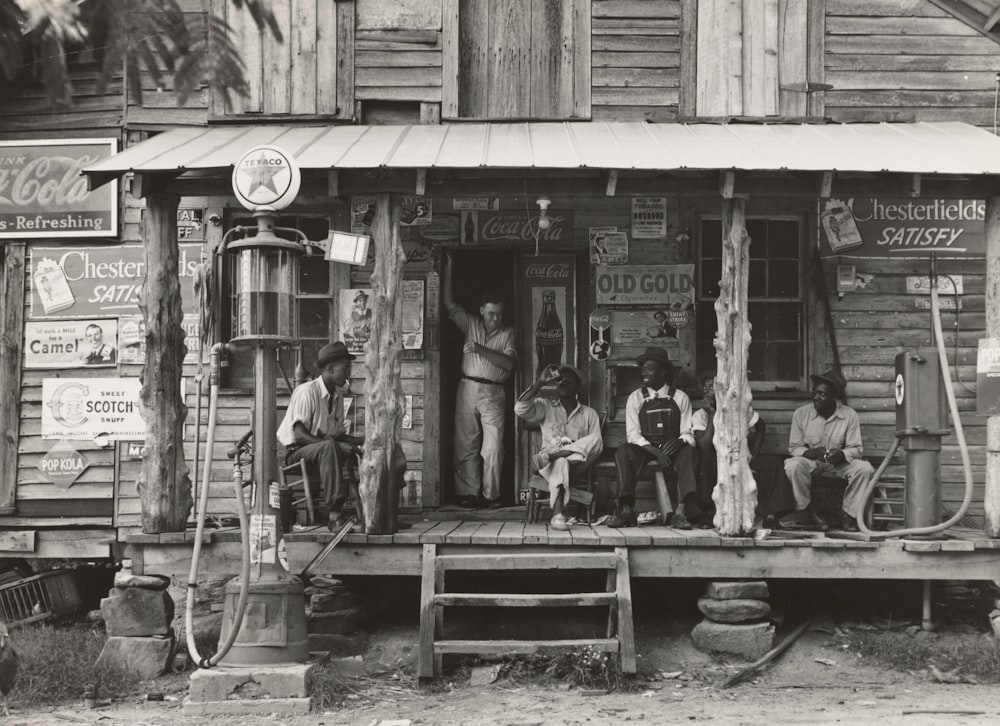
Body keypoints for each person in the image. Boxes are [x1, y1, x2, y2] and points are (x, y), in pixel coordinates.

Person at [443, 253, 517, 508]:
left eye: (499, 314)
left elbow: (508, 363)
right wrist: (450, 266)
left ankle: (491, 495)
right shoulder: (471, 323)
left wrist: (479, 349)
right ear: (482, 311)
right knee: (466, 444)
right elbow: (449, 304)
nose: (495, 319)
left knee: (493, 447)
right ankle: (469, 493)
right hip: (468, 387)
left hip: (494, 391)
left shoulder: (508, 333)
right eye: (491, 314)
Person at [277, 341, 365, 530]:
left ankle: (380, 512)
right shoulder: (307, 391)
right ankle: (334, 515)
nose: (349, 372)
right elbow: (299, 435)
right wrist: (336, 445)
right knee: (330, 446)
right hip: (296, 452)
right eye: (346, 368)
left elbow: (337, 435)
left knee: (369, 444)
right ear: (331, 369)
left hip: (322, 450)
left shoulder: (338, 396)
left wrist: (364, 440)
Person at [611, 347, 700, 528]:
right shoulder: (636, 398)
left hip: (671, 448)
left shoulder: (680, 397)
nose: (644, 372)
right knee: (623, 451)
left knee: (689, 452)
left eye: (649, 368)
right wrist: (654, 451)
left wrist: (679, 441)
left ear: (662, 371)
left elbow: (687, 433)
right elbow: (633, 435)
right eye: (642, 368)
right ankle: (626, 510)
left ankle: (680, 513)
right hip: (645, 449)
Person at [783, 369, 873, 531]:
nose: (816, 397)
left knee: (864, 469)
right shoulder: (801, 414)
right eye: (815, 392)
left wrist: (841, 454)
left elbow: (856, 448)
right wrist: (811, 453)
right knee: (792, 465)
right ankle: (808, 511)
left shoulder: (849, 415)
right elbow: (794, 447)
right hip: (812, 462)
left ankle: (849, 516)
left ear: (834, 397)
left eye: (822, 394)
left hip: (839, 465)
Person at [515, 364, 603, 530]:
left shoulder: (589, 413)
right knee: (561, 461)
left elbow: (596, 446)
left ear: (578, 387)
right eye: (560, 380)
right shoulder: (546, 407)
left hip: (578, 465)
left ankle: (556, 455)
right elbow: (520, 409)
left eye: (569, 381)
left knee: (595, 440)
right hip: (550, 465)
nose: (563, 383)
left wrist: (561, 454)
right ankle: (557, 515)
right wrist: (540, 383)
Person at [691, 369, 764, 516]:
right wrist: (712, 415)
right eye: (704, 388)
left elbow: (760, 424)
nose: (706, 391)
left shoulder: (736, 409)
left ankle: (772, 514)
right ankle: (708, 512)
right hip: (713, 459)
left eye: (711, 387)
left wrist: (755, 450)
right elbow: (704, 444)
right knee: (704, 458)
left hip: (737, 456)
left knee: (773, 464)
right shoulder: (700, 415)